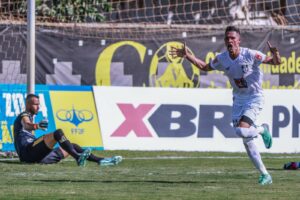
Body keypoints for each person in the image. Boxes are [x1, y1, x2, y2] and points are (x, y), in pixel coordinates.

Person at [169, 26, 282, 185]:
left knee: (242, 130)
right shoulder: (222, 59)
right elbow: (204, 67)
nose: (230, 41)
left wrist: (275, 53)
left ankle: (263, 129)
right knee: (246, 140)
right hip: (238, 100)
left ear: (238, 40)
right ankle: (265, 175)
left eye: (233, 38)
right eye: (227, 38)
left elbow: (276, 63)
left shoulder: (250, 54)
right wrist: (187, 56)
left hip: (254, 97)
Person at [13, 94, 122, 166]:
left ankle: (100, 161)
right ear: (28, 104)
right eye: (35, 104)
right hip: (27, 153)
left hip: (39, 158)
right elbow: (27, 125)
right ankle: (77, 158)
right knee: (57, 133)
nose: (38, 107)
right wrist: (37, 126)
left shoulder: (31, 116)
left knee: (72, 146)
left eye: (38, 104)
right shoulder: (24, 115)